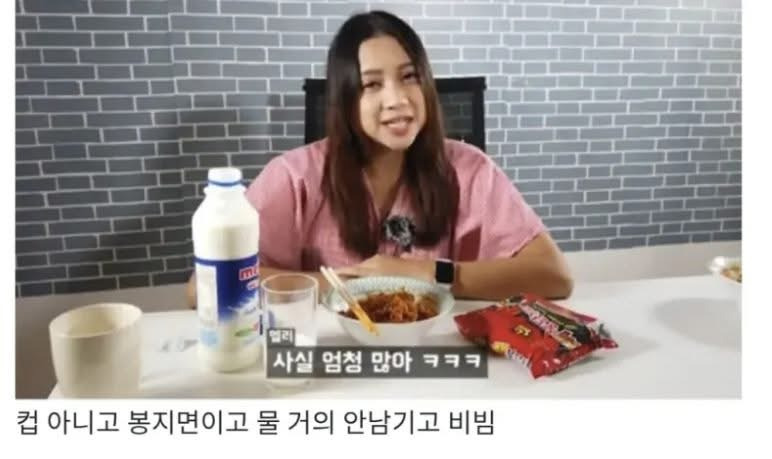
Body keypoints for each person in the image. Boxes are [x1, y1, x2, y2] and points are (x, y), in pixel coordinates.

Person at [187, 10, 572, 308]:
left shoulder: (469, 168)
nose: (398, 100)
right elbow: (204, 288)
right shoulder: (293, 177)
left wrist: (428, 273)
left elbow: (554, 275)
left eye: (409, 77)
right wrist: (355, 285)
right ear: (346, 99)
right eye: (372, 84)